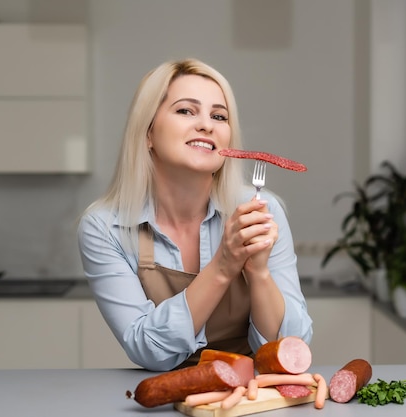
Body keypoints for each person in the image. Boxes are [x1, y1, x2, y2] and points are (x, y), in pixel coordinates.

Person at [77, 58, 313, 371]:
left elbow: (291, 348)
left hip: (252, 396)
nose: (207, 125)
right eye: (186, 110)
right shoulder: (105, 226)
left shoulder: (263, 211)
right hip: (165, 392)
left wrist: (258, 273)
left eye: (219, 115)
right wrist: (223, 266)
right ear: (148, 132)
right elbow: (146, 349)